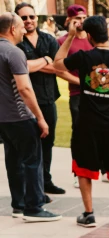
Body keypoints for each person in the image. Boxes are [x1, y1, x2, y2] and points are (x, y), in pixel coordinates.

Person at [54, 15, 109, 227]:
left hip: (87, 123)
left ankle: (89, 213)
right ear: (107, 33)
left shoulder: (83, 57)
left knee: (84, 166)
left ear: (89, 36)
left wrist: (70, 37)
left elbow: (57, 65)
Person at [0, 13, 60, 222]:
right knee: (32, 159)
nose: (24, 30)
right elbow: (25, 88)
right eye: (20, 27)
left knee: (13, 161)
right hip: (19, 115)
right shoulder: (13, 52)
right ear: (12, 29)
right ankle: (34, 207)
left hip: (3, 119)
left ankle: (19, 204)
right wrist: (40, 117)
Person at [15, 2, 65, 195]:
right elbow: (22, 67)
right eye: (24, 17)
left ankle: (46, 180)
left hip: (48, 98)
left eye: (31, 16)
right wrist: (45, 60)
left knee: (48, 142)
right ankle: (31, 188)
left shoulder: (49, 39)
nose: (28, 21)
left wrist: (32, 64)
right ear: (18, 20)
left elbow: (59, 67)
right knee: (29, 145)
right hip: (25, 102)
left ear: (37, 17)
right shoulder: (16, 42)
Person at [57, 5, 93, 187]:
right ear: (69, 21)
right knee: (79, 133)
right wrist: (80, 82)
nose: (81, 22)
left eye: (84, 18)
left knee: (98, 130)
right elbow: (59, 70)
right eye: (77, 19)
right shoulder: (64, 41)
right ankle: (78, 171)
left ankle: (99, 167)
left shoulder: (92, 39)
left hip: (96, 94)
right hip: (77, 94)